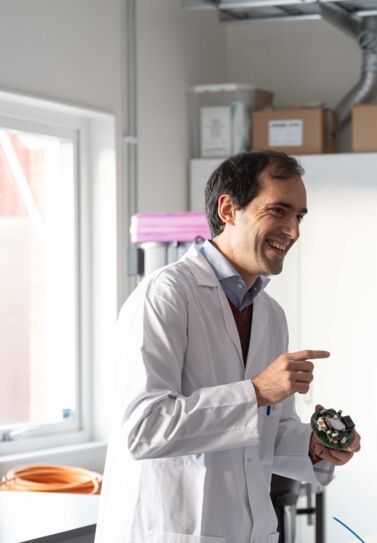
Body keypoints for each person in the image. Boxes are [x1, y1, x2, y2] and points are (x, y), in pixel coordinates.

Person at [95, 151, 361, 543]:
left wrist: (314, 446)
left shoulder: (270, 314)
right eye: (279, 211)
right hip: (169, 531)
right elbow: (143, 430)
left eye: (299, 216)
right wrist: (256, 391)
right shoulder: (165, 295)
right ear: (228, 209)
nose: (293, 231)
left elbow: (262, 433)